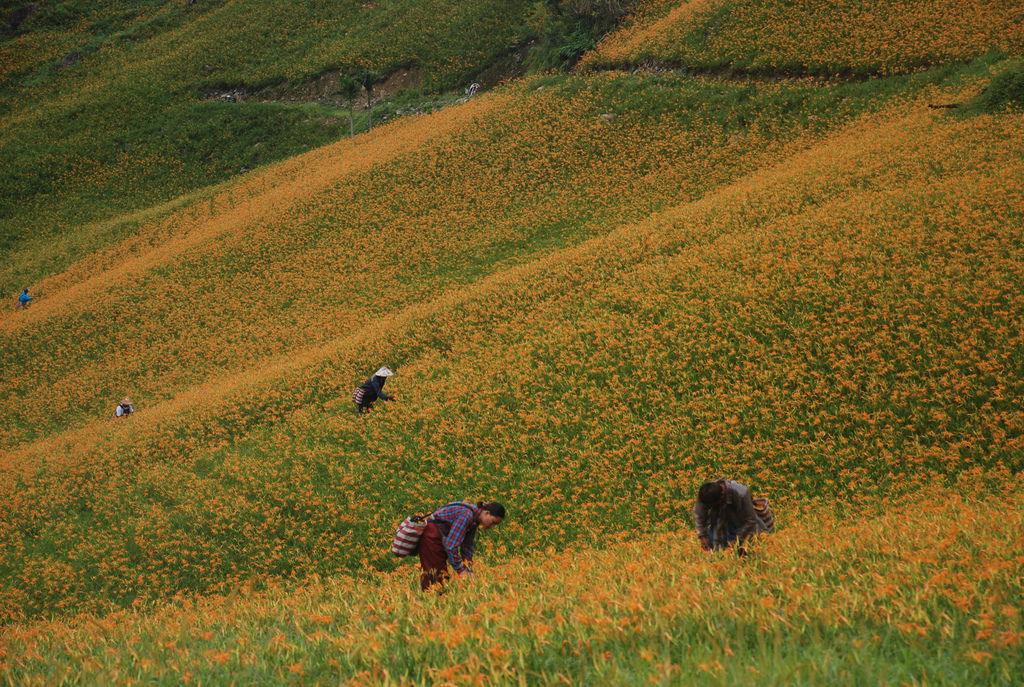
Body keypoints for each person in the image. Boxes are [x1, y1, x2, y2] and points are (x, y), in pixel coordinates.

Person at [419, 500, 506, 591]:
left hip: (441, 536)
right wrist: (461, 570)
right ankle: (430, 595)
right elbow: (451, 546)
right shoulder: (466, 515)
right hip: (432, 535)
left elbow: (467, 546)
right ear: (486, 513)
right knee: (435, 572)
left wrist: (468, 568)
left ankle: (438, 595)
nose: (492, 526)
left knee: (441, 572)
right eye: (493, 522)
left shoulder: (475, 518)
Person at [693, 478, 772, 555]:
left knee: (748, 551)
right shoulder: (705, 494)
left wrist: (736, 540)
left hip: (742, 523)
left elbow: (750, 520)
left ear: (721, 497)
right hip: (719, 523)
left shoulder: (741, 493)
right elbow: (699, 514)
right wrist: (702, 536)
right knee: (716, 551)